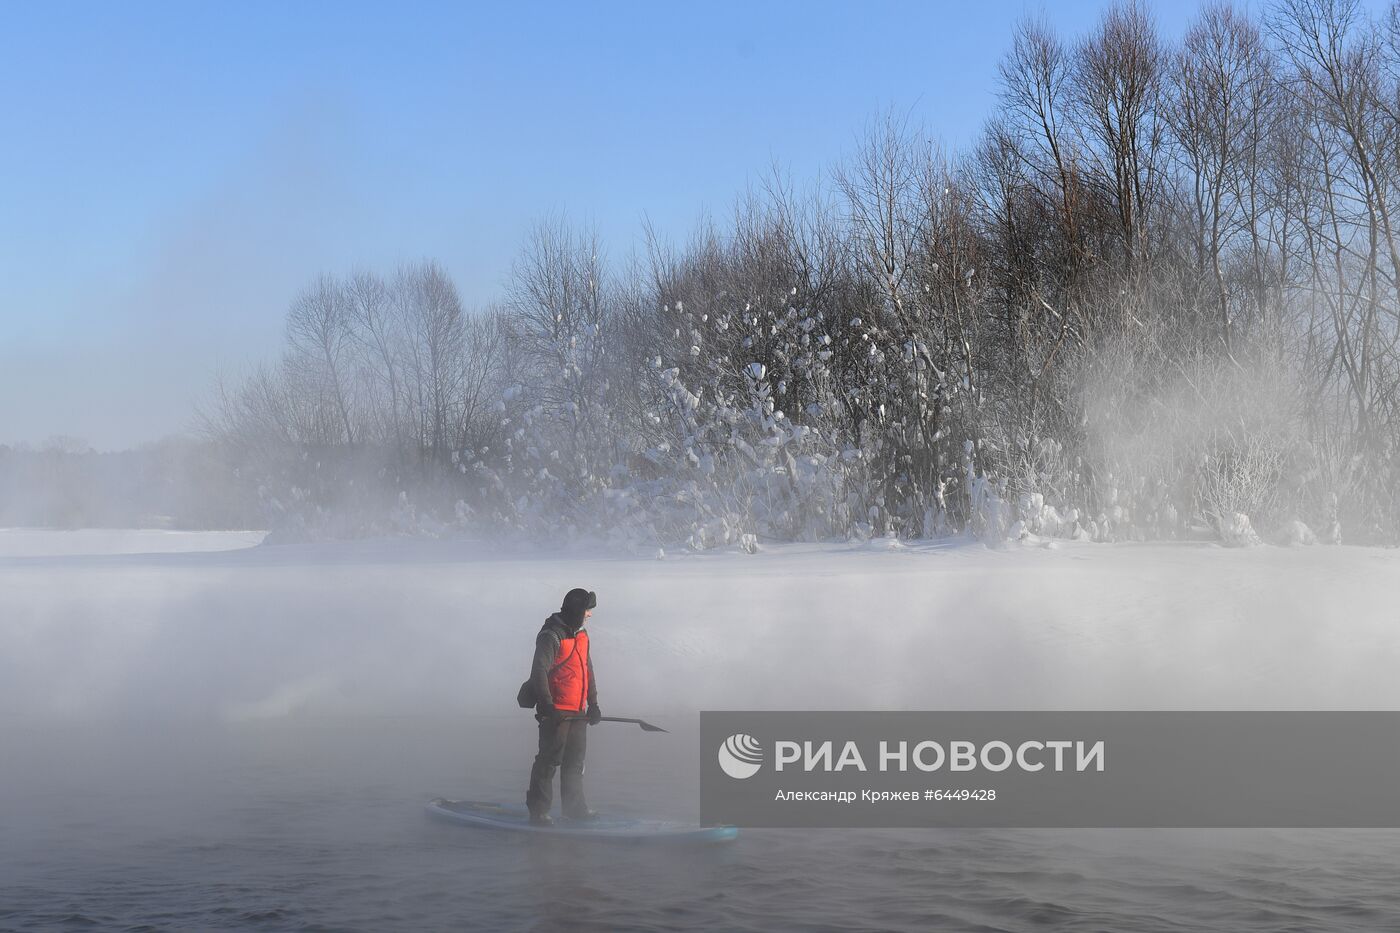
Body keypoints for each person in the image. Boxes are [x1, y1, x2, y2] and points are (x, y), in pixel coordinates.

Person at [525, 587, 602, 825]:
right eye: (587, 610)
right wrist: (548, 707)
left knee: (575, 763)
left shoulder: (582, 635)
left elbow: (586, 671)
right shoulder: (551, 635)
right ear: (577, 610)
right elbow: (539, 672)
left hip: (578, 712)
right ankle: (539, 812)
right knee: (548, 762)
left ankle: (574, 809)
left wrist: (594, 703)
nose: (589, 614)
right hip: (556, 713)